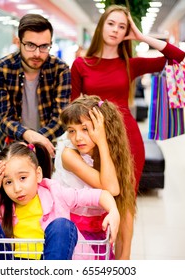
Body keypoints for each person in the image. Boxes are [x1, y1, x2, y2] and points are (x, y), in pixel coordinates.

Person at [70, 4, 185, 259]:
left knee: (126, 205)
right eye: (111, 23)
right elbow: (72, 110)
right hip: (92, 144)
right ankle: (100, 256)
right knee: (99, 201)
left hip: (127, 141)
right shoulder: (81, 64)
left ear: (127, 33)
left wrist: (142, 37)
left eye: (122, 26)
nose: (116, 30)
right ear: (101, 26)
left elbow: (178, 57)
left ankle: (124, 262)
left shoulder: (130, 64)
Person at [0, 141, 120, 260]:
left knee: (63, 225)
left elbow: (99, 195)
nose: (16, 188)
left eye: (23, 178)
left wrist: (113, 212)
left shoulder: (56, 193)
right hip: (9, 263)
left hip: (47, 261)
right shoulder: (0, 200)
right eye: (8, 182)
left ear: (38, 174)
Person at [52, 95, 135, 260]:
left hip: (97, 228)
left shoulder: (109, 153)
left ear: (101, 128)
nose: (78, 137)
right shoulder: (69, 154)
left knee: (127, 211)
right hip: (73, 231)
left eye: (85, 129)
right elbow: (111, 188)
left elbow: (118, 193)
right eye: (71, 131)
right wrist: (102, 140)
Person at [0, 14, 71, 157]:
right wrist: (28, 136)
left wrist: (36, 141)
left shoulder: (60, 69)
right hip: (12, 147)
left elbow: (60, 118)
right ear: (18, 42)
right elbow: (5, 118)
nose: (37, 54)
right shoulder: (0, 69)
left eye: (44, 46)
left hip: (47, 146)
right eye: (31, 45)